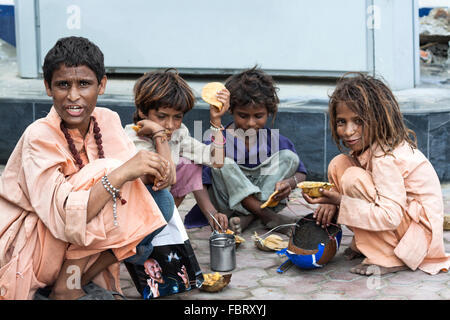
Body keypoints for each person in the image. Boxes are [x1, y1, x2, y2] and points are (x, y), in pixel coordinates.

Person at [0, 36, 173, 300]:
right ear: (48, 87)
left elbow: (153, 185)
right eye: (62, 85)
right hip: (41, 241)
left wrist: (160, 137)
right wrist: (121, 172)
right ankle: (64, 283)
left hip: (82, 244)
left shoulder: (108, 119)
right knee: (110, 171)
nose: (73, 96)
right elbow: (63, 219)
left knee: (160, 200)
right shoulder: (38, 135)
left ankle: (73, 281)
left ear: (101, 85)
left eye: (84, 84)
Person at [303, 73, 450, 276]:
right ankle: (372, 244)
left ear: (378, 119)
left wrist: (339, 201)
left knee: (353, 179)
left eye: (358, 121)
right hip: (404, 223)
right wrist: (330, 199)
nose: (348, 131)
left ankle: (389, 256)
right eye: (341, 122)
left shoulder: (384, 157)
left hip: (418, 241)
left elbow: (390, 216)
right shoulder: (372, 147)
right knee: (340, 165)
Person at [187, 66, 307, 235]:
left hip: (266, 200)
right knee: (222, 163)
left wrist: (288, 183)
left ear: (269, 112)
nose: (251, 123)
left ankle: (250, 217)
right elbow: (197, 181)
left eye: (258, 116)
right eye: (243, 115)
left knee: (289, 157)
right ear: (230, 110)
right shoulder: (218, 139)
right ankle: (267, 216)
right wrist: (211, 214)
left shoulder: (273, 140)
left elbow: (301, 173)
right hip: (227, 204)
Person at [124, 69, 230, 231]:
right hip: (133, 210)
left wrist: (216, 121)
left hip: (160, 204)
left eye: (177, 117)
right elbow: (162, 178)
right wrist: (159, 135)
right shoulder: (132, 139)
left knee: (190, 164)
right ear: (142, 112)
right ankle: (154, 231)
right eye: (161, 116)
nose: (170, 125)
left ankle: (163, 228)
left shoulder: (178, 133)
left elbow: (217, 161)